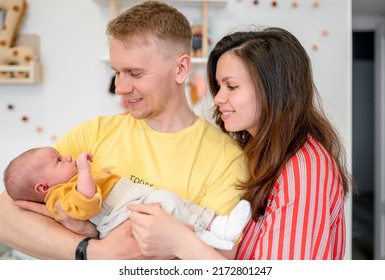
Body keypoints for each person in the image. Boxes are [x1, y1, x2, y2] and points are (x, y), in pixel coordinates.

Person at [0, 1, 248, 259]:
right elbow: (6, 216)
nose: (120, 87)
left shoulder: (226, 159)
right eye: (117, 72)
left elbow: (217, 261)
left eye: (134, 73)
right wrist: (95, 250)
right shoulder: (93, 133)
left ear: (181, 69)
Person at [126, 26, 354, 260]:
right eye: (219, 86)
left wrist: (179, 241)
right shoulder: (258, 154)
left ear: (274, 89)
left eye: (232, 86)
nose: (218, 98)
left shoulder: (304, 170)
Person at [3, 146, 251, 250]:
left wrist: (101, 176)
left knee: (174, 202)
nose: (67, 158)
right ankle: (207, 232)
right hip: (121, 216)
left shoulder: (66, 182)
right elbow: (87, 203)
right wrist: (87, 172)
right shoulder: (60, 196)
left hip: (130, 202)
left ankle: (215, 226)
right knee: (167, 204)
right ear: (43, 187)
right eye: (59, 160)